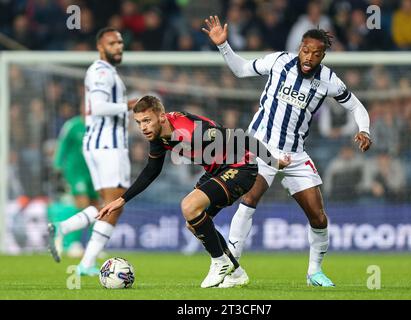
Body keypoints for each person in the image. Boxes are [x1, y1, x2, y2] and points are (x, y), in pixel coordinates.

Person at [203, 16, 372, 287]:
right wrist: (224, 46)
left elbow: (356, 106)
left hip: (295, 154)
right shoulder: (279, 61)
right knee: (249, 200)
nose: (309, 57)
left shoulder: (328, 79)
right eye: (306, 50)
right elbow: (242, 69)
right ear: (299, 47)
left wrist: (364, 129)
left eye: (316, 53)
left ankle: (314, 272)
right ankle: (231, 269)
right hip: (261, 146)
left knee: (318, 216)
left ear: (323, 55)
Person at [97, 95, 291, 288]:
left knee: (189, 206)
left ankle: (220, 262)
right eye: (139, 123)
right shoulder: (157, 136)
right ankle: (237, 272)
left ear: (162, 117)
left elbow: (242, 138)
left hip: (242, 167)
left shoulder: (191, 130)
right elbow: (151, 171)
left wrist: (273, 161)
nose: (143, 127)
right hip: (217, 170)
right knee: (194, 223)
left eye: (147, 120)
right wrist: (122, 200)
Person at [48, 27, 137, 276]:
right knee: (115, 204)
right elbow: (97, 107)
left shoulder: (106, 72)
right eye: (112, 43)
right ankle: (85, 262)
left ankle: (64, 230)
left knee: (104, 204)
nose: (118, 46)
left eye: (120, 42)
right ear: (101, 47)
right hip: (108, 145)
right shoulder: (100, 71)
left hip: (99, 145)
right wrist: (129, 105)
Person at [51, 113, 99, 256]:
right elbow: (62, 145)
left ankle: (93, 245)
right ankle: (74, 243)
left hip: (94, 172)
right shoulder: (73, 125)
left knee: (96, 208)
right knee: (82, 206)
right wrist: (58, 166)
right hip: (76, 172)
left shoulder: (99, 125)